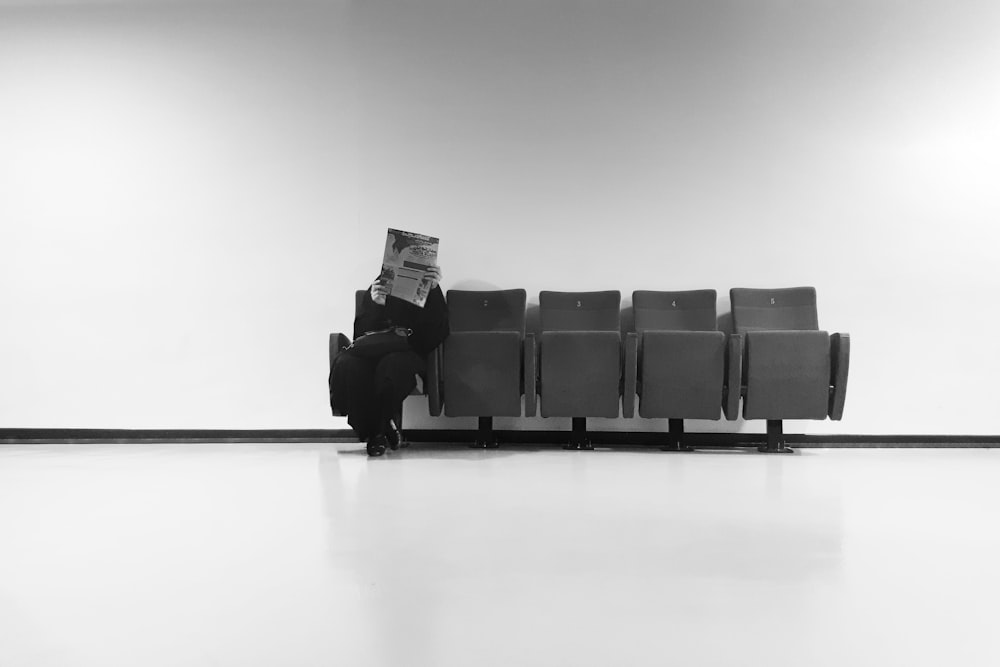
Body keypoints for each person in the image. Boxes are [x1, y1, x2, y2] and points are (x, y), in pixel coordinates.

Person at [329, 266, 449, 456]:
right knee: (347, 364)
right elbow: (361, 333)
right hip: (372, 352)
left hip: (409, 350)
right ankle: (376, 430)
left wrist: (433, 290)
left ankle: (378, 431)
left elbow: (437, 333)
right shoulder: (380, 286)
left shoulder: (430, 290)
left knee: (392, 367)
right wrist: (377, 304)